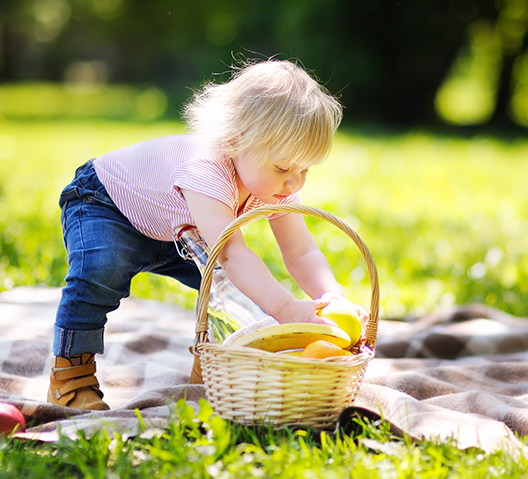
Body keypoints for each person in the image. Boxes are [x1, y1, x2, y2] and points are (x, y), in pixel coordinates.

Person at [48, 59, 364, 410]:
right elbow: (230, 253)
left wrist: (332, 296)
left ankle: (213, 373)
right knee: (101, 272)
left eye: (305, 169)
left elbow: (300, 252)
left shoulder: (275, 183)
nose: (294, 181)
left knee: (232, 296)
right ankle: (70, 375)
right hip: (106, 205)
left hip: (175, 229)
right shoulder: (207, 168)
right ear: (236, 140)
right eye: (283, 167)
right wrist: (287, 308)